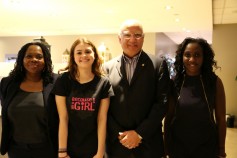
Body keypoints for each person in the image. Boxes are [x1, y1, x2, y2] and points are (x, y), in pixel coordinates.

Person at [103, 19, 170, 158]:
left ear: (143, 38)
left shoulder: (158, 65)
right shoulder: (107, 68)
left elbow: (162, 104)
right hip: (117, 145)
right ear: (119, 38)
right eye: (127, 35)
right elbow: (104, 106)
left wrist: (139, 134)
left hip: (148, 144)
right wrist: (120, 135)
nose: (132, 39)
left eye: (138, 35)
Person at [164, 37, 226, 158]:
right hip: (178, 148)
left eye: (197, 55)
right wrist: (166, 147)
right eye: (187, 55)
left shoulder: (214, 82)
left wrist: (221, 150)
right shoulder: (175, 82)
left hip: (207, 148)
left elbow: (221, 119)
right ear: (182, 57)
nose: (192, 59)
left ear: (204, 58)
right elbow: (168, 117)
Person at [52, 37, 114, 158]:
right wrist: (62, 152)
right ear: (73, 57)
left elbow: (102, 119)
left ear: (94, 55)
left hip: (94, 149)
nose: (83, 55)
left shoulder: (104, 83)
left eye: (88, 51)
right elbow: (63, 118)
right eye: (79, 52)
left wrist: (100, 153)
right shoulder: (63, 80)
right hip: (69, 148)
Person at [0, 42, 58, 158]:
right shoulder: (7, 83)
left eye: (39, 56)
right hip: (16, 149)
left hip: (47, 150)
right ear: (22, 59)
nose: (34, 59)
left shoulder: (56, 82)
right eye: (29, 56)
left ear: (45, 60)